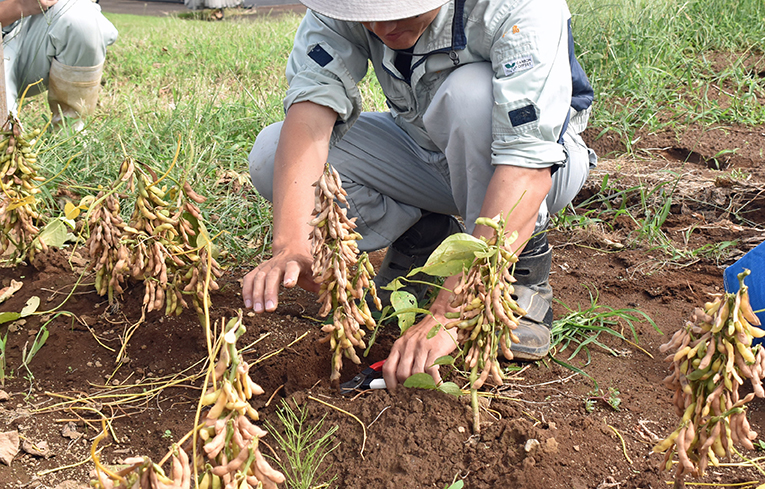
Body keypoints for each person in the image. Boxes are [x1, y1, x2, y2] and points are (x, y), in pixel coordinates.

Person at [243, 0, 597, 390]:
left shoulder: (520, 8)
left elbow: (526, 166)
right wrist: (293, 241)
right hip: (427, 149)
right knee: (271, 153)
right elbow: (312, 105)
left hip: (538, 168)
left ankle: (519, 269)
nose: (380, 25)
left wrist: (453, 310)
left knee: (469, 94)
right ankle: (423, 234)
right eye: (366, 13)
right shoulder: (351, 9)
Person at [1, 0, 118, 128]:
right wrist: (19, 5)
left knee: (81, 20)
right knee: (5, 139)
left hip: (31, 31)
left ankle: (68, 132)